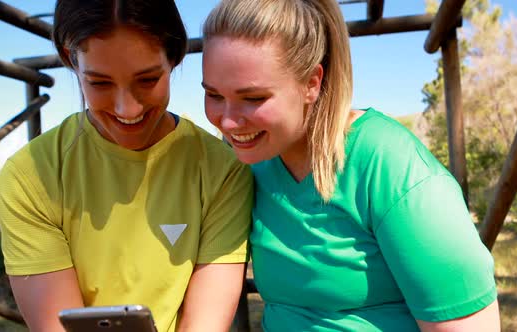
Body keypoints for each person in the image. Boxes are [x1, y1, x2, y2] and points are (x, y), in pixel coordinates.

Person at [201, 0, 501, 331]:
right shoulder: (251, 163)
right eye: (213, 95)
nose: (227, 122)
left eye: (253, 98)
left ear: (312, 84)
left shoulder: (388, 167)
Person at [0, 1, 253, 331]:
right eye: (100, 83)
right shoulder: (29, 177)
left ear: (174, 56)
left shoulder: (223, 170)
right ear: (70, 59)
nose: (126, 107)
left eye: (147, 80)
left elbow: (205, 323)